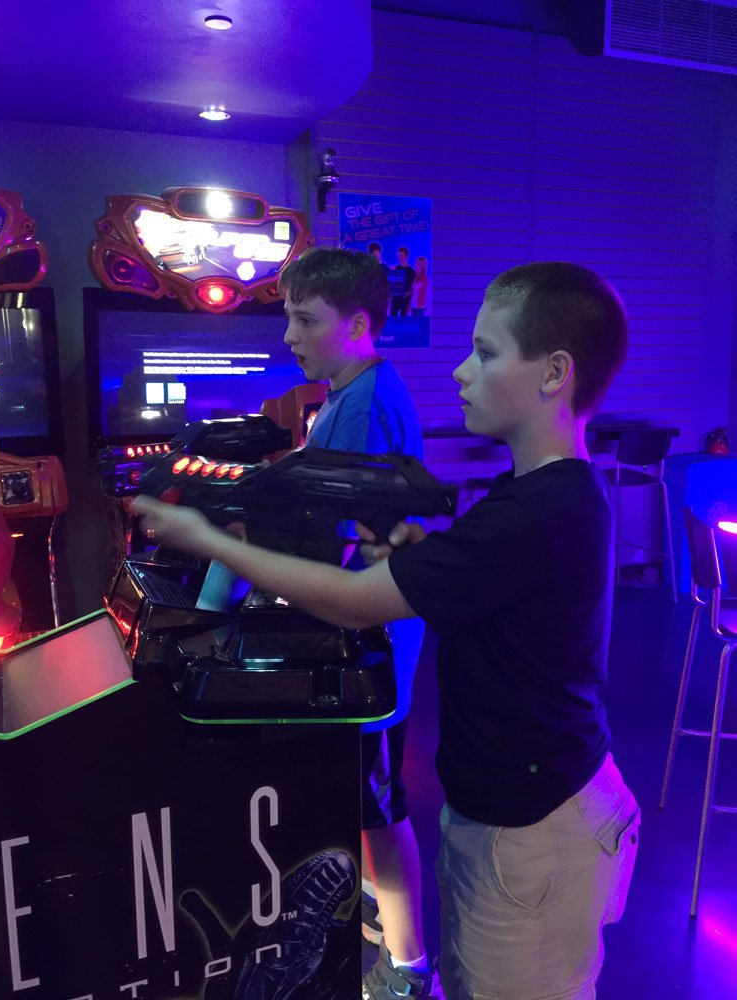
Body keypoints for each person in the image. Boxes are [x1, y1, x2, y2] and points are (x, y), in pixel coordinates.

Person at [132, 261, 641, 1000]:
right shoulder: (537, 496)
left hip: (535, 826)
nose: (462, 372)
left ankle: (401, 967)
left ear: (554, 373)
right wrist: (417, 556)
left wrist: (206, 538)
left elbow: (350, 601)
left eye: (486, 353)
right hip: (510, 813)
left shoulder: (534, 513)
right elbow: (491, 588)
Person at [280, 247, 439, 999]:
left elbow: (337, 533)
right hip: (363, 626)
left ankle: (409, 968)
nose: (290, 336)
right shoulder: (350, 393)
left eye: (305, 320)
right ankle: (377, 913)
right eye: (289, 318)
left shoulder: (365, 405)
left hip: (371, 635)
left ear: (357, 324)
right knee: (362, 793)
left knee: (378, 801)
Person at [389, 246, 416, 317]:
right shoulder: (395, 268)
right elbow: (391, 283)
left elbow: (413, 288)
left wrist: (409, 296)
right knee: (393, 320)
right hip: (395, 299)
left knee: (403, 321)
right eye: (399, 255)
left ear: (407, 256)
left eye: (402, 255)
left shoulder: (411, 271)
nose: (400, 257)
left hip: (405, 300)